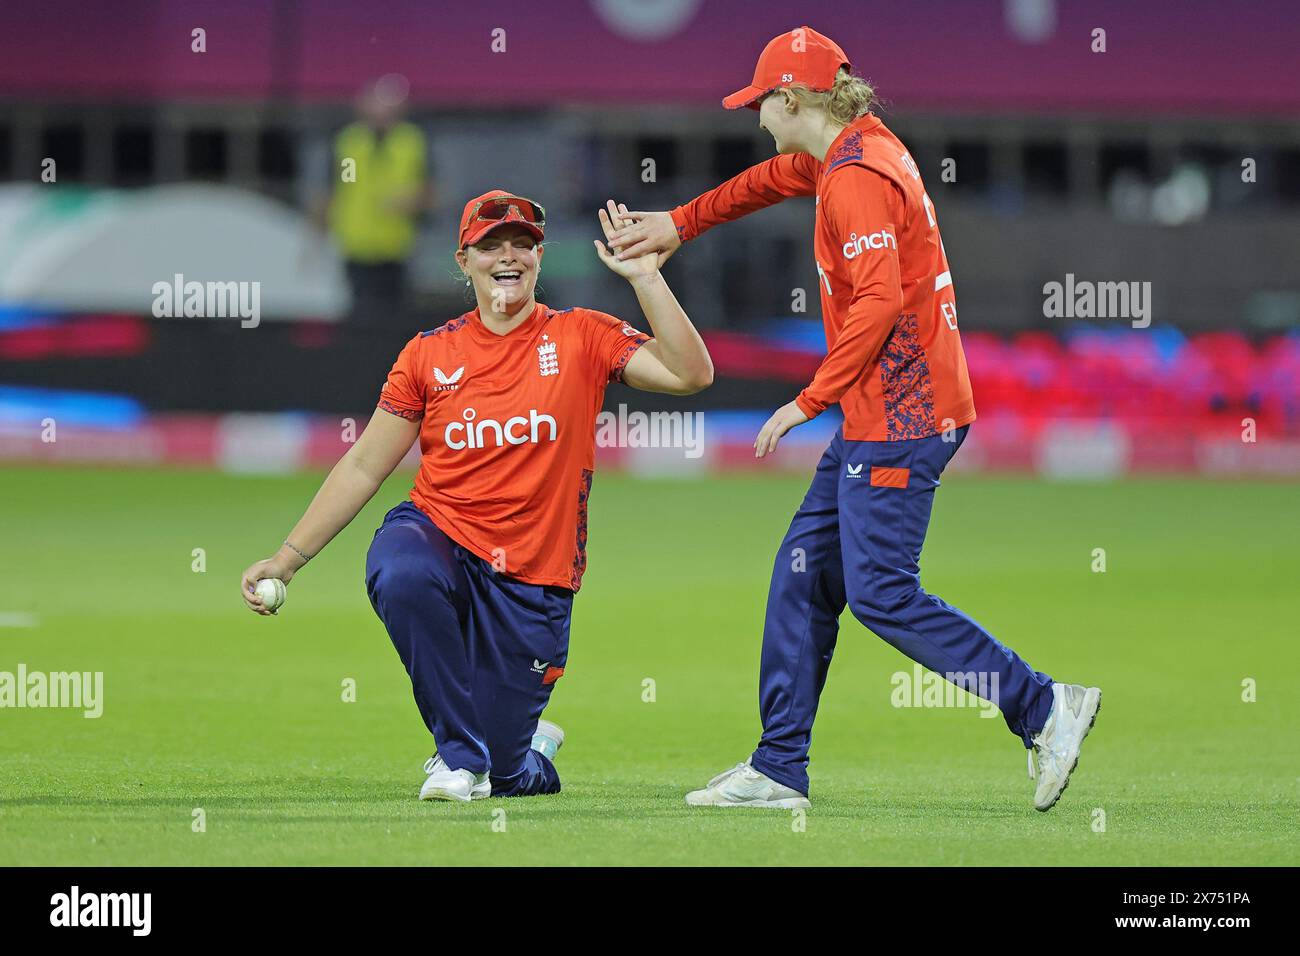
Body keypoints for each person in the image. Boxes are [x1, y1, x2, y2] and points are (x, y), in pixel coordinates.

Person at [606, 26, 1101, 812]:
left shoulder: (855, 179)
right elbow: (770, 179)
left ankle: (1043, 707)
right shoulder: (854, 148)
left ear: (794, 99)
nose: (757, 113)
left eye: (762, 100)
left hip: (904, 416)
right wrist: (679, 222)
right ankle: (778, 768)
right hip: (887, 410)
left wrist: (808, 400)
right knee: (802, 575)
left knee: (881, 594)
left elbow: (879, 303)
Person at [241, 190, 713, 801]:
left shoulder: (581, 336)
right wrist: (288, 558)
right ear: (464, 260)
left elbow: (691, 374)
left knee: (511, 776)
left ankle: (524, 748)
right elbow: (363, 465)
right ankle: (457, 758)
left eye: (522, 244)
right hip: (443, 535)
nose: (508, 256)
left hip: (534, 577)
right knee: (401, 569)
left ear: (540, 258)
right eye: (491, 245)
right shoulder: (428, 354)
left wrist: (646, 278)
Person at [312, 76, 435, 324]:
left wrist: (412, 201)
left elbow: (431, 191)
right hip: (357, 244)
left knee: (396, 318)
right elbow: (332, 189)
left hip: (397, 246)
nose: (383, 110)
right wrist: (317, 235)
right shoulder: (348, 142)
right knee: (361, 316)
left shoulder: (412, 142)